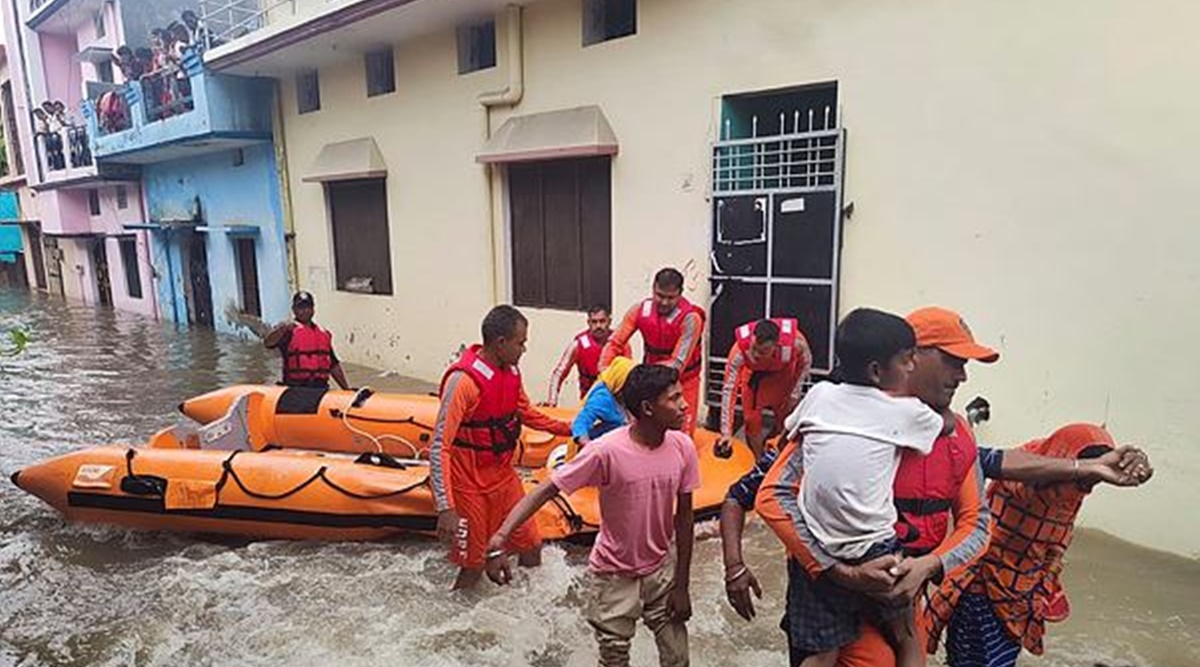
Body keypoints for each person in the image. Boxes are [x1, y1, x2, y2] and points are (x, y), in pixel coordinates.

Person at [738, 306, 1153, 667]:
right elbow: (766, 496)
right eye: (954, 361)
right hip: (832, 587)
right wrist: (835, 572)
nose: (963, 375)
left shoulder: (952, 436)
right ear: (911, 358)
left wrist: (1088, 467)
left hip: (901, 584)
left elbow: (978, 519)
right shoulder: (834, 422)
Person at [485, 364, 697, 667]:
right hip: (613, 574)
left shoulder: (682, 447)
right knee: (614, 660)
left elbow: (685, 518)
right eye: (674, 398)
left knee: (678, 659)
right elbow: (545, 491)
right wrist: (501, 538)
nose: (685, 404)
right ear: (648, 408)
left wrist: (682, 585)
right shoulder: (605, 452)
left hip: (661, 570)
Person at [777, 308, 945, 667]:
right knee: (906, 635)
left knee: (821, 653)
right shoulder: (907, 412)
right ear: (875, 371)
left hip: (818, 550)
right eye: (906, 361)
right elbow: (943, 427)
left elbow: (790, 432)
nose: (912, 368)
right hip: (874, 547)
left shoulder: (819, 395)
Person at [429, 305, 572, 590]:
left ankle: (530, 607)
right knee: (473, 565)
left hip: (503, 477)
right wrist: (445, 507)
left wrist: (571, 429)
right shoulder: (464, 382)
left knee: (531, 544)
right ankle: (457, 628)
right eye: (521, 343)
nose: (524, 349)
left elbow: (528, 414)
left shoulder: (511, 372)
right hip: (469, 483)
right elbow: (439, 447)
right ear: (501, 343)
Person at [600, 268, 706, 435]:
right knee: (642, 428)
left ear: (680, 294)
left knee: (682, 434)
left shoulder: (691, 319)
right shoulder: (638, 310)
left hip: (683, 381)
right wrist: (605, 371)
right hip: (649, 381)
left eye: (670, 298)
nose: (664, 302)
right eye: (660, 295)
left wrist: (636, 374)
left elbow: (677, 364)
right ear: (653, 290)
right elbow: (615, 342)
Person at [715, 318, 813, 459]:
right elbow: (728, 389)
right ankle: (758, 461)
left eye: (763, 351)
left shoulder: (796, 343)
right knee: (751, 421)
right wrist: (726, 432)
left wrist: (795, 393)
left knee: (786, 422)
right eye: (754, 348)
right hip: (753, 380)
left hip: (783, 378)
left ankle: (780, 460)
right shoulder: (739, 351)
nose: (755, 354)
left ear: (777, 344)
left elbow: (806, 362)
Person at [263, 291, 350, 390]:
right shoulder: (288, 331)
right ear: (294, 310)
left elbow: (333, 365)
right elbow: (268, 343)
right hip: (295, 388)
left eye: (308, 307)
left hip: (320, 388)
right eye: (301, 308)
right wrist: (281, 330)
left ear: (313, 309)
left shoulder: (323, 333)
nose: (305, 311)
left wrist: (346, 389)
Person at [546, 305, 629, 406]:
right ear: (588, 323)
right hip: (588, 402)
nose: (598, 326)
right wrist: (552, 401)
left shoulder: (620, 343)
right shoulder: (578, 344)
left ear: (609, 321)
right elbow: (559, 373)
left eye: (602, 321)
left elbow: (628, 376)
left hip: (616, 401)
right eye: (594, 322)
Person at [571, 356, 635, 445]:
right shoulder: (603, 397)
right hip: (601, 444)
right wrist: (591, 448)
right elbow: (581, 423)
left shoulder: (630, 397)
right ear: (620, 381)